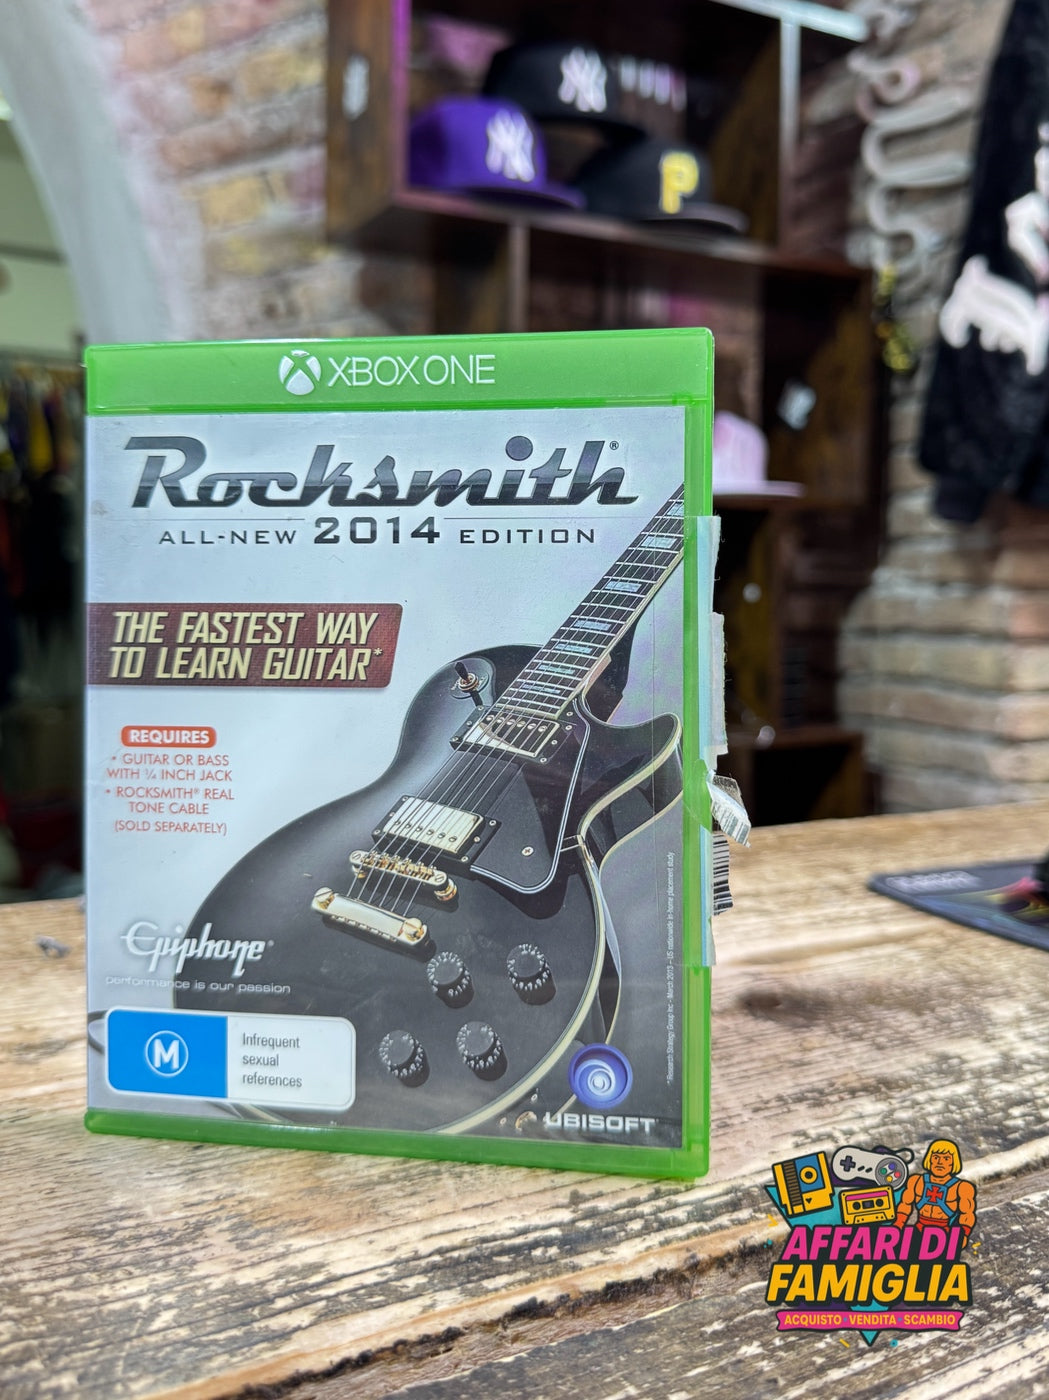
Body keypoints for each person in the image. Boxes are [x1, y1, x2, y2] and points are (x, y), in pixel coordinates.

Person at [894, 1139, 976, 1245]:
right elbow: (905, 1205)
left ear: (953, 1162)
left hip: (944, 1236)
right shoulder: (916, 1181)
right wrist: (898, 1225)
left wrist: (963, 1235)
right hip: (918, 1231)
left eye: (946, 1158)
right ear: (930, 1159)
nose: (940, 1162)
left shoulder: (962, 1187)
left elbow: (967, 1214)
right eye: (936, 1157)